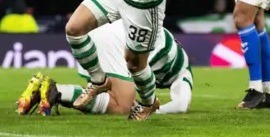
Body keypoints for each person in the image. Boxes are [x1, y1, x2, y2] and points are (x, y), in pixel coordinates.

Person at [17, 21, 192, 116]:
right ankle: (57, 91)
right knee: (123, 107)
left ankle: (51, 91)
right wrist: (149, 108)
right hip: (119, 43)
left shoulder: (166, 43)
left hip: (96, 33)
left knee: (106, 97)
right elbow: (181, 104)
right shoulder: (182, 69)